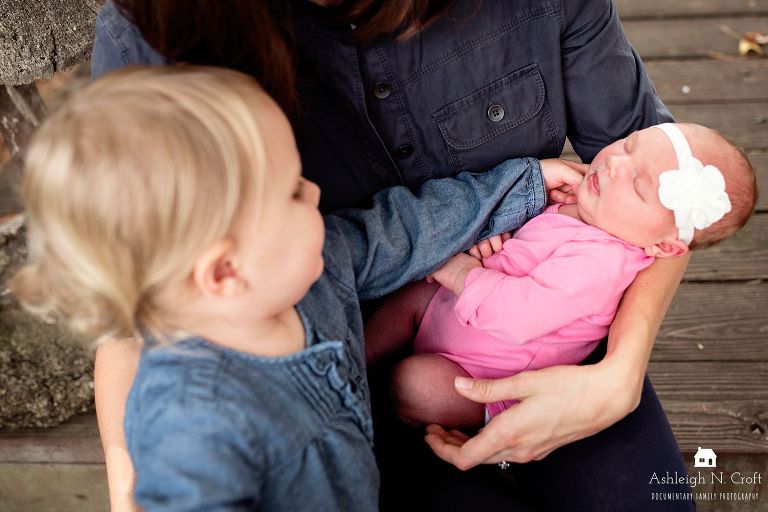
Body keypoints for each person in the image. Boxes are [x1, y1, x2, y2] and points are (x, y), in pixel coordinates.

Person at [90, 1, 700, 510]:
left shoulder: (333, 248)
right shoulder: (211, 412)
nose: (315, 197)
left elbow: (680, 198)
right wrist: (127, 474)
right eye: (295, 189)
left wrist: (618, 373)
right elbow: (134, 306)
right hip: (366, 393)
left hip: (532, 331)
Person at [11, 65, 580, 511]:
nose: (314, 191)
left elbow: (401, 230)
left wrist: (519, 185)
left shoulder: (316, 262)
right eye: (290, 191)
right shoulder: (194, 427)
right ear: (225, 272)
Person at [365, 123, 757, 429]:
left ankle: (411, 415)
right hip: (455, 312)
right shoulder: (588, 205)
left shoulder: (601, 265)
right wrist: (499, 230)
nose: (614, 164)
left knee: (415, 385)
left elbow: (518, 315)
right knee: (412, 294)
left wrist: (460, 267)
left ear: (665, 247)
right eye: (628, 144)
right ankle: (355, 361)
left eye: (638, 186)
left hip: (483, 372)